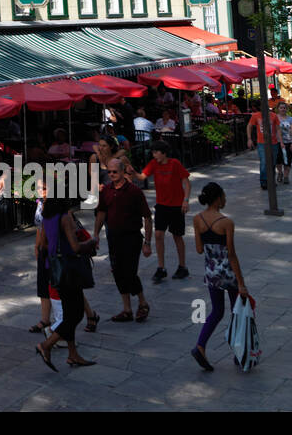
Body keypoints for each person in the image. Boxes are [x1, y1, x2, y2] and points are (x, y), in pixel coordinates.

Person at [35, 197, 99, 370]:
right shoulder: (64, 217)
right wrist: (91, 242)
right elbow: (76, 247)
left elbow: (43, 244)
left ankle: (73, 355)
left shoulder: (46, 217)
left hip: (54, 270)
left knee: (70, 311)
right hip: (68, 271)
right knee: (76, 314)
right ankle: (46, 345)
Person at [189, 182, 248, 371]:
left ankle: (200, 345)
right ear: (218, 198)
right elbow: (232, 254)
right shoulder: (227, 222)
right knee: (236, 312)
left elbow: (199, 249)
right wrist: (241, 283)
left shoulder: (197, 219)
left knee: (216, 311)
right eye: (223, 195)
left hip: (211, 272)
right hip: (228, 273)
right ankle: (239, 353)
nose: (225, 199)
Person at [94, 158, 152, 322]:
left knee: (130, 272)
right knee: (118, 272)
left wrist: (147, 242)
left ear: (122, 171)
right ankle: (127, 309)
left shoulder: (134, 191)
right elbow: (101, 213)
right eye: (109, 172)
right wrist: (96, 234)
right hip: (113, 237)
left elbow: (147, 217)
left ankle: (142, 303)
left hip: (132, 237)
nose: (111, 175)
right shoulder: (106, 190)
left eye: (115, 172)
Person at [139, 143, 191, 282]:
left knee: (177, 236)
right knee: (158, 234)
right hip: (161, 205)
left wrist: (185, 200)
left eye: (156, 152)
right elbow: (142, 177)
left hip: (176, 206)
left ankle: (182, 266)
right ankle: (161, 268)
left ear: (163, 153)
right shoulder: (153, 164)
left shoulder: (175, 164)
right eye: (153, 152)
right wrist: (131, 172)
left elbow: (186, 182)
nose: (154, 155)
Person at [247, 107, 275, 190]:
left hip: (273, 142)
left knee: (273, 161)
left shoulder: (273, 115)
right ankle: (263, 181)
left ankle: (271, 180)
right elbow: (249, 126)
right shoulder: (256, 116)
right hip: (262, 143)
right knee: (264, 161)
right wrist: (249, 139)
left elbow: (278, 128)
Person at [275, 101, 292, 184]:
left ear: (286, 109)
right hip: (277, 142)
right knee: (278, 160)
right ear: (278, 109)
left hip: (288, 141)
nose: (283, 109)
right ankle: (280, 172)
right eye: (281, 108)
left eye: (284, 108)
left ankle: (286, 176)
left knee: (287, 160)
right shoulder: (275, 118)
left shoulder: (291, 119)